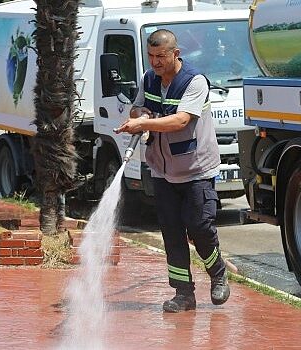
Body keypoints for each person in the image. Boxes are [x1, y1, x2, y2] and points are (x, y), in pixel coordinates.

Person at [115, 29, 229, 313]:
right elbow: (137, 108)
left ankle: (218, 273)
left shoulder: (194, 81)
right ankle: (183, 294)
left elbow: (180, 121)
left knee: (200, 227)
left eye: (161, 56)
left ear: (175, 54)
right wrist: (139, 116)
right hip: (162, 171)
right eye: (151, 56)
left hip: (195, 171)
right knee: (172, 233)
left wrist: (143, 125)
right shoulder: (149, 79)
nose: (155, 62)